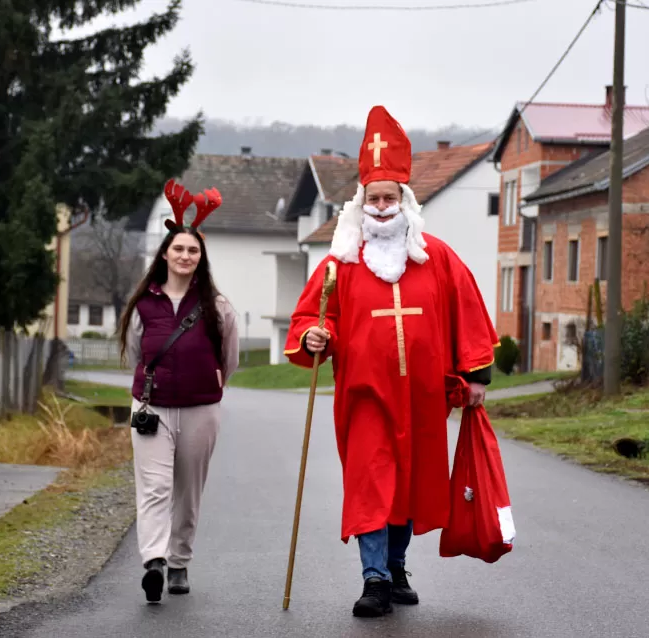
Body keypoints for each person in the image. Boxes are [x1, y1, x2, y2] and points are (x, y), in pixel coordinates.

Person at [285, 106, 500, 618]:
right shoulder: (341, 263)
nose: (382, 207)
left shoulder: (438, 257)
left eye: (390, 197)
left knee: (409, 484)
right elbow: (311, 320)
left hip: (424, 398)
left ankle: (398, 564)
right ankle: (374, 578)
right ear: (361, 206)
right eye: (374, 199)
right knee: (371, 483)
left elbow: (469, 311)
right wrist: (316, 335)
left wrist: (474, 374)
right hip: (365, 399)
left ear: (405, 202)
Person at [119, 180, 239, 604]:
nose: (185, 256)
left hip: (201, 409)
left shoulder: (217, 307)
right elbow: (136, 354)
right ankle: (154, 560)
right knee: (154, 487)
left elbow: (231, 359)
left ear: (200, 258)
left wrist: (208, 380)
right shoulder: (144, 305)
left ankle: (180, 562)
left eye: (193, 251)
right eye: (179, 249)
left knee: (188, 489)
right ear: (165, 254)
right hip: (152, 409)